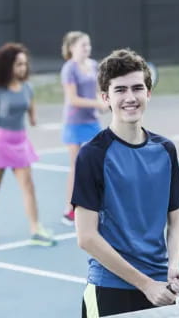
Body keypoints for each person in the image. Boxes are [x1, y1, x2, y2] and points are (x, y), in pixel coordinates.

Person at [72, 48, 179, 317]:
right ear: (106, 98)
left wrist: (173, 265)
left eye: (137, 88)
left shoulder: (165, 150)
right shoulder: (92, 155)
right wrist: (145, 284)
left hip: (161, 290)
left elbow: (176, 219)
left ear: (148, 93)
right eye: (120, 90)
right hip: (110, 290)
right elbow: (86, 237)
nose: (130, 97)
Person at [0, 42, 55, 247]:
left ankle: (35, 229)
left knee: (29, 186)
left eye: (24, 64)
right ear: (7, 65)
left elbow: (32, 116)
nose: (23, 68)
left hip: (20, 141)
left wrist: (37, 122)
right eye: (18, 64)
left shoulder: (28, 88)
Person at [60, 31, 107, 226]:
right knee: (77, 166)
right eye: (82, 45)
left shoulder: (94, 65)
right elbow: (73, 99)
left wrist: (103, 103)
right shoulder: (69, 69)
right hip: (74, 122)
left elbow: (98, 91)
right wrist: (98, 105)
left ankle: (98, 205)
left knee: (98, 164)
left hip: (92, 122)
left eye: (88, 45)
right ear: (72, 48)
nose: (87, 48)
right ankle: (69, 208)